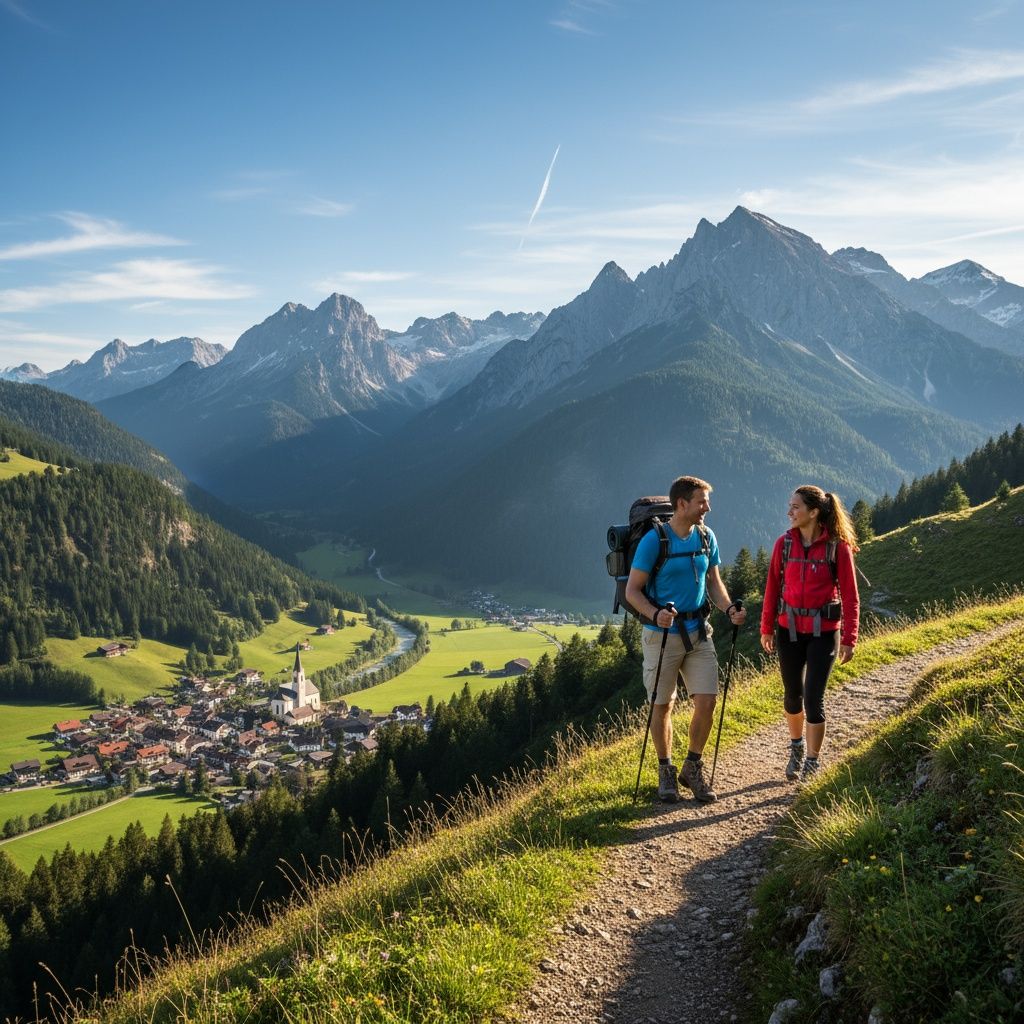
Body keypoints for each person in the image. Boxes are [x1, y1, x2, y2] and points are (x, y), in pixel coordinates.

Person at [624, 476, 747, 803]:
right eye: (701, 501)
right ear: (682, 504)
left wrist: (729, 608)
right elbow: (632, 591)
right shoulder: (654, 541)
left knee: (707, 701)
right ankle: (665, 769)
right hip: (661, 636)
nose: (707, 508)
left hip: (698, 632)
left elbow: (714, 583)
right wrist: (655, 614)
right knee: (662, 704)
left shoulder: (707, 537)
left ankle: (692, 766)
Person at [760, 485, 860, 782]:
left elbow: (851, 596)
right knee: (793, 696)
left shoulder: (838, 548)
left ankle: (813, 762)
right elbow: (772, 587)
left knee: (814, 699)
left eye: (796, 507)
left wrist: (850, 638)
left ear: (814, 512)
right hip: (788, 630)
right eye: (790, 506)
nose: (789, 512)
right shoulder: (784, 544)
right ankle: (796, 747)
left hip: (824, 633)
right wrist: (766, 627)